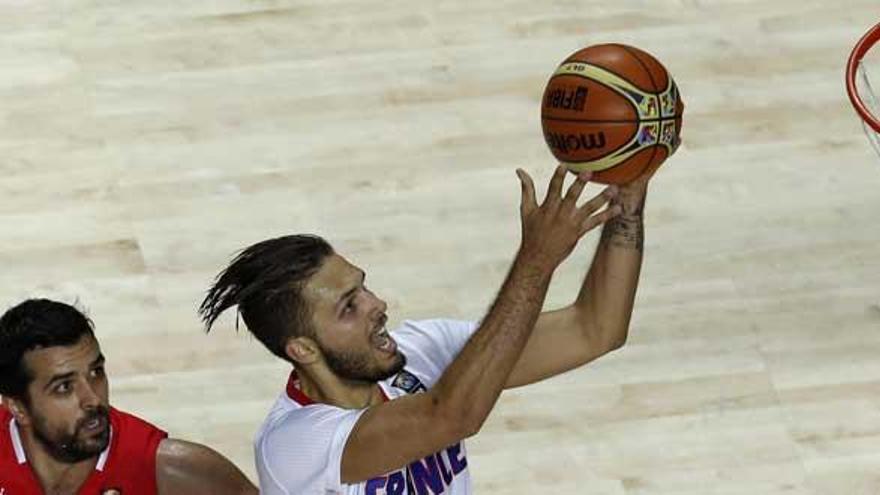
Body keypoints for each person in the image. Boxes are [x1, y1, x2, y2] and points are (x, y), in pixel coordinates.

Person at [199, 165, 650, 494]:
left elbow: (594, 329)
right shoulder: (294, 445)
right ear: (302, 349)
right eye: (349, 307)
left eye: (363, 287)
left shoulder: (420, 351)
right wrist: (536, 262)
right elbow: (450, 416)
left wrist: (627, 202)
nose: (377, 305)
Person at [0, 298, 258, 495]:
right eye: (64, 387)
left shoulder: (174, 470)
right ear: (17, 407)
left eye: (96, 372)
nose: (93, 399)